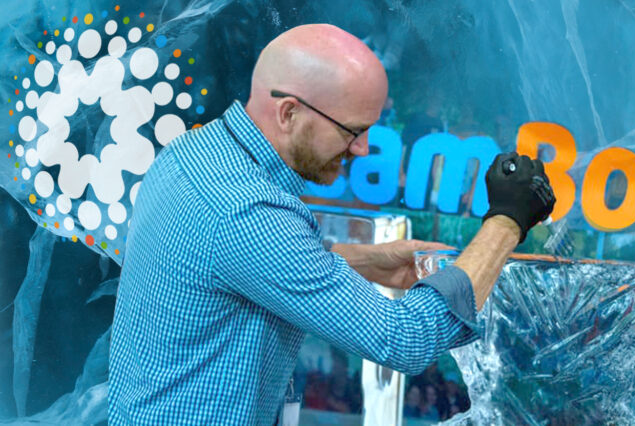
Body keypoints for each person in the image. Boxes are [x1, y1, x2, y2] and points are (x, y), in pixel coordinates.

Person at [108, 24, 554, 424]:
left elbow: (235, 265)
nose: (361, 150)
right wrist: (507, 220)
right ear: (288, 113)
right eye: (351, 131)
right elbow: (405, 340)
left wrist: (365, 261)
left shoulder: (193, 153)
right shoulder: (249, 212)